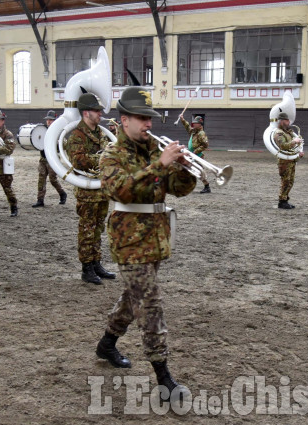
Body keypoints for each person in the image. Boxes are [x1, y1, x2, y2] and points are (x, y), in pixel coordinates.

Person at [95, 87, 196, 401]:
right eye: (141, 118)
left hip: (155, 237)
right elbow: (121, 190)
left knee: (133, 297)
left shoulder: (155, 148)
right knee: (150, 303)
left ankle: (107, 343)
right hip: (128, 241)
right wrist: (160, 165)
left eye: (149, 118)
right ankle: (164, 378)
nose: (148, 124)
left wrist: (187, 168)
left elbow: (177, 189)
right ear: (124, 121)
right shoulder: (111, 155)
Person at [64, 93, 116, 285]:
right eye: (96, 110)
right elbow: (79, 161)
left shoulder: (100, 133)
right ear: (86, 113)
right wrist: (105, 159)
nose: (100, 113)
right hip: (87, 191)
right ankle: (86, 268)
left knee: (98, 227)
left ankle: (96, 262)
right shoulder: (77, 136)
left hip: (101, 189)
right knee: (87, 229)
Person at [32, 110, 68, 208]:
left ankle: (62, 193)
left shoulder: (58, 131)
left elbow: (64, 144)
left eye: (51, 120)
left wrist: (57, 142)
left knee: (53, 179)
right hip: (43, 159)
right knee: (41, 180)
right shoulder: (42, 130)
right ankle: (40, 200)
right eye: (47, 120)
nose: (48, 122)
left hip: (53, 159)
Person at [274, 111, 304, 209]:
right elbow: (283, 146)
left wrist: (299, 152)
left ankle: (285, 200)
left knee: (290, 181)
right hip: (284, 161)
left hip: (291, 161)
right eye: (287, 121)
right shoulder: (279, 133)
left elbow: (293, 146)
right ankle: (282, 201)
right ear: (282, 121)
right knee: (285, 181)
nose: (288, 123)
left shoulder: (288, 133)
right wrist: (294, 141)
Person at [179, 113, 211, 193]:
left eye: (195, 123)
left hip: (197, 156)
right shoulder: (194, 131)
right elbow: (187, 127)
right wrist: (182, 119)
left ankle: (207, 186)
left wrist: (195, 151)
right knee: (187, 169)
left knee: (199, 171)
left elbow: (205, 145)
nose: (193, 124)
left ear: (200, 124)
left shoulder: (201, 133)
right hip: (192, 155)